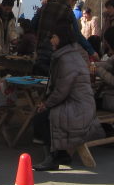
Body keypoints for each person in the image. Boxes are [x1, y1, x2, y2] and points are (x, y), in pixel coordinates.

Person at [31, 25, 103, 171]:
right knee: (41, 115)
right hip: (77, 103)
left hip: (78, 107)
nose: (51, 40)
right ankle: (58, 154)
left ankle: (54, 156)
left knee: (42, 118)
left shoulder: (66, 58)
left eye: (54, 37)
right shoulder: (69, 54)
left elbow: (61, 90)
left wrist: (46, 104)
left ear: (61, 38)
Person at [33, 0, 98, 74]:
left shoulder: (45, 6)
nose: (73, 6)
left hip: (40, 48)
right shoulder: (67, 11)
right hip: (55, 51)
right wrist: (91, 51)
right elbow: (77, 34)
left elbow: (33, 24)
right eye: (74, 3)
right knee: (51, 79)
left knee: (39, 78)